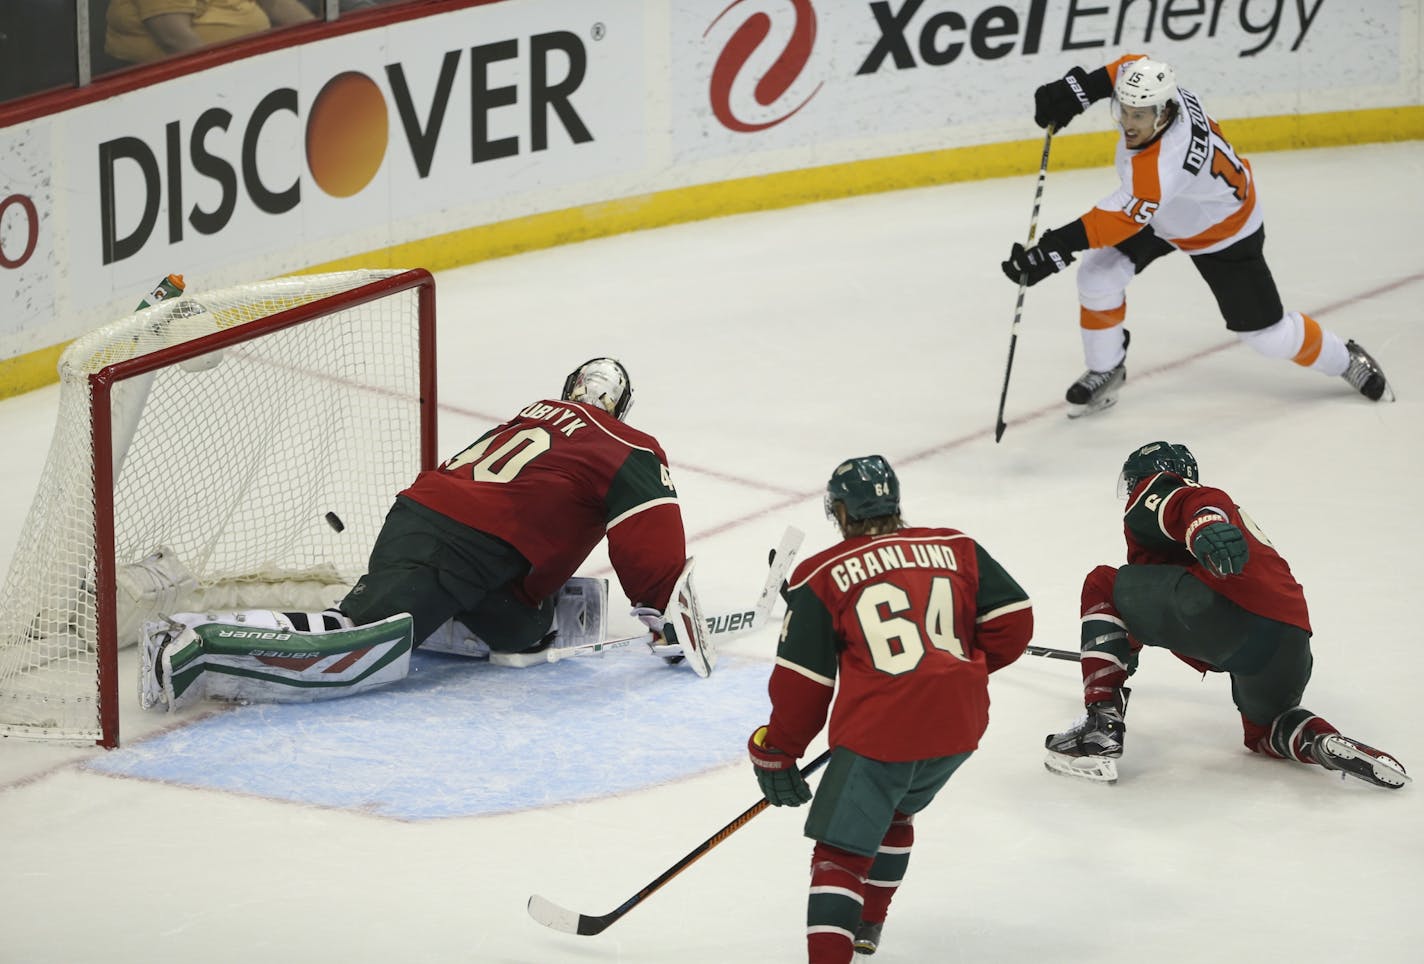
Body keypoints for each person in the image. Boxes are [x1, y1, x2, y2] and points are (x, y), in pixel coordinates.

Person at [139, 357, 690, 710]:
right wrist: (665, 610)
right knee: (356, 640)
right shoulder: (627, 445)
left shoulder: (531, 415)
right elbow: (649, 530)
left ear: (570, 388)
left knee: (522, 631)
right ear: (621, 408)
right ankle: (192, 636)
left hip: (431, 519)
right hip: (459, 546)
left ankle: (449, 609)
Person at [746, 455, 1033, 963]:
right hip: (960, 723)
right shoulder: (955, 546)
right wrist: (951, 672)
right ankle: (866, 924)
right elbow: (1013, 620)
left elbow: (804, 684)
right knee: (895, 808)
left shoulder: (820, 574)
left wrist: (779, 750)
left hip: (882, 732)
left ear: (838, 510)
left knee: (840, 853)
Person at [1001, 54, 1393, 417]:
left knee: (1266, 336)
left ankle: (1346, 359)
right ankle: (1106, 370)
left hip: (1223, 232)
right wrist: (1078, 91)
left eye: (1140, 115)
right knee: (1099, 274)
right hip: (1171, 210)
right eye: (1123, 110)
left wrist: (1054, 250)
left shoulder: (1163, 165)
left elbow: (1117, 219)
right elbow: (1128, 65)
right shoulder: (1162, 93)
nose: (1129, 123)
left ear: (1164, 112)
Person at [1044, 440, 1409, 790]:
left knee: (1102, 584)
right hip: (1290, 638)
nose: (1131, 491)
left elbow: (1197, 502)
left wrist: (1206, 526)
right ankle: (1320, 742)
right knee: (1264, 731)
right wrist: (1117, 654)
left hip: (1228, 612)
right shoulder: (1206, 538)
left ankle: (1101, 722)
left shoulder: (1160, 491)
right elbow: (1141, 611)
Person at [105, 0, 315, 66]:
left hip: (246, 70)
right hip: (172, 87)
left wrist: (320, 46)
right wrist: (227, 83)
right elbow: (174, 38)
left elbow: (277, 4)